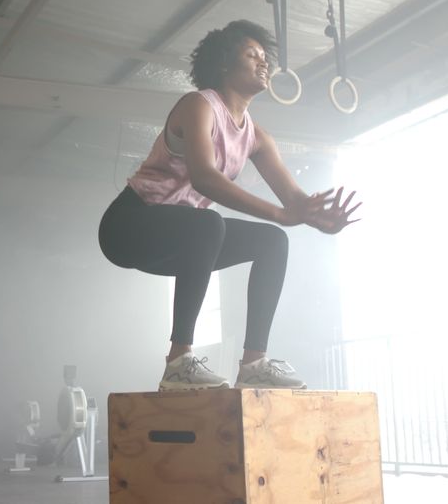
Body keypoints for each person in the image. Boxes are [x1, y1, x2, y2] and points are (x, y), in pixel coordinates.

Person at [98, 20, 361, 392]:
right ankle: (178, 361)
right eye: (252, 55)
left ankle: (254, 364)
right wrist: (283, 214)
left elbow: (294, 201)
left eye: (264, 57)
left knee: (272, 241)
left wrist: (316, 217)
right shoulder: (199, 105)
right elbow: (205, 178)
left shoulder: (256, 136)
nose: (263, 63)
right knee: (208, 223)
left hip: (180, 238)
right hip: (129, 226)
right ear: (224, 64)